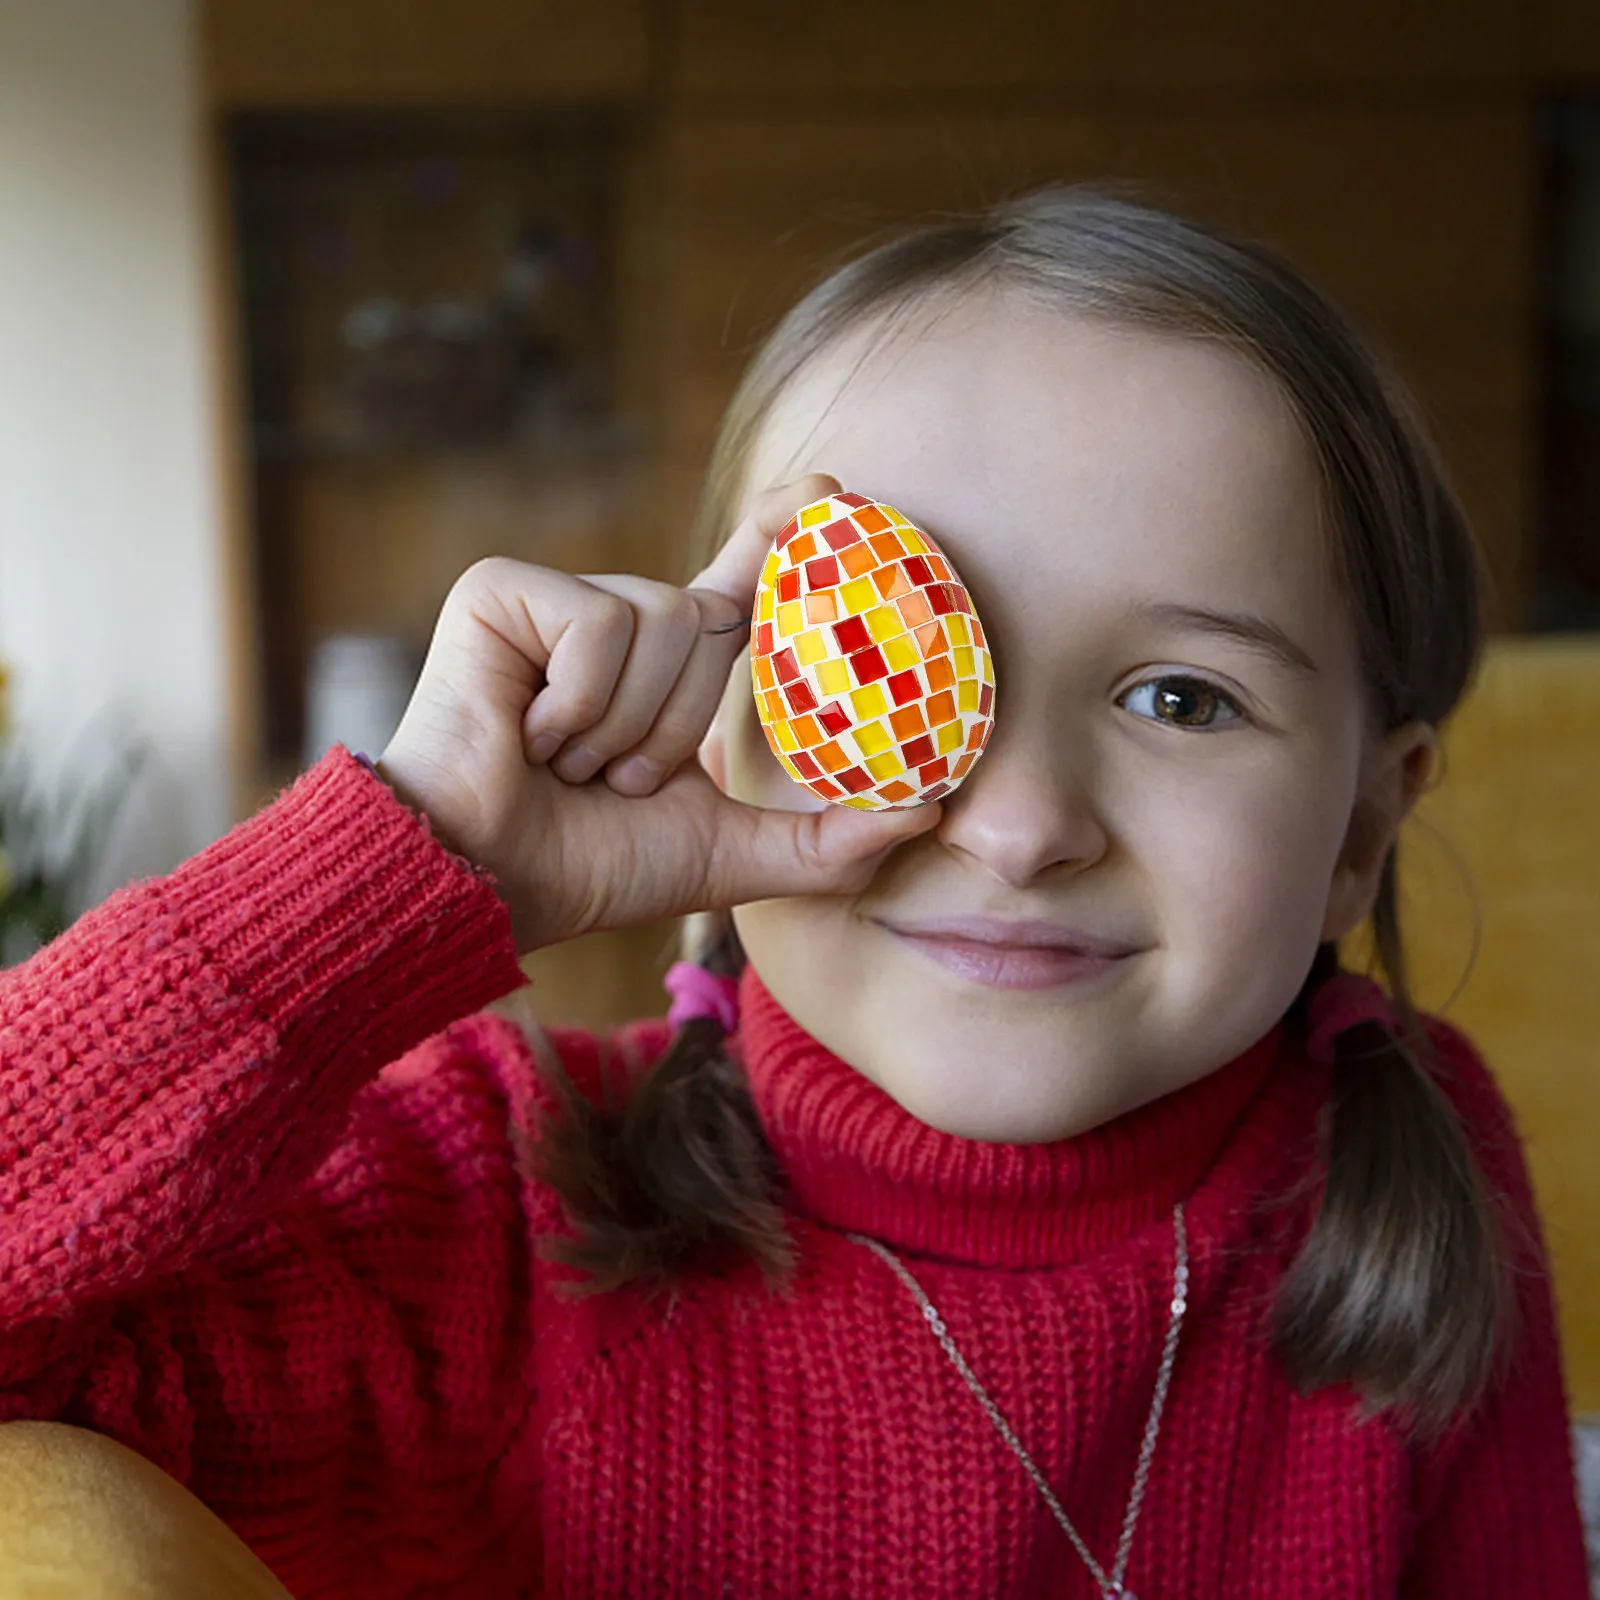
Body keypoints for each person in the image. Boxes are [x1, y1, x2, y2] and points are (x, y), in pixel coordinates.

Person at [0, 187, 1588, 1599]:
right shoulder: (504, 1203)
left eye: (1181, 698)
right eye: (882, 662)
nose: (1020, 828)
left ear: (1363, 832)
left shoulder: (1405, 1166)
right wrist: (396, 869)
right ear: (727, 700)